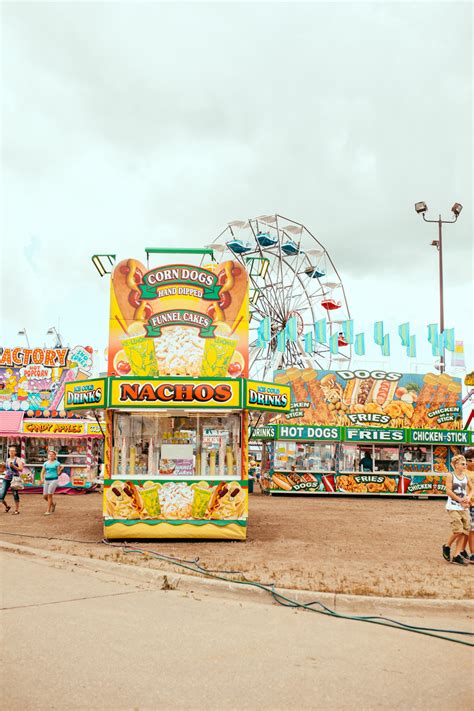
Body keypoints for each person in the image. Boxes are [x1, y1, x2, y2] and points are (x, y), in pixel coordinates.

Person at [442, 454, 472, 565]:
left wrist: (468, 498)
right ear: (455, 465)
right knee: (457, 529)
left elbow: (472, 488)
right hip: (453, 506)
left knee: (465, 530)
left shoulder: (466, 476)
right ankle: (447, 546)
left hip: (464, 507)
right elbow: (448, 491)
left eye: (465, 464)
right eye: (462, 464)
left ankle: (456, 554)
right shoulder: (451, 475)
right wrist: (460, 500)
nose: (465, 465)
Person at [0, 446, 24, 515]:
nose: (12, 452)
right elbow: (6, 470)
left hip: (14, 479)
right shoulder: (7, 459)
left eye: (13, 451)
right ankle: (7, 506)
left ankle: (17, 510)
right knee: (2, 493)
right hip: (6, 478)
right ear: (9, 452)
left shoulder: (18, 459)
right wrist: (2, 469)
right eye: (10, 451)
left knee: (15, 494)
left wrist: (14, 466)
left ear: (15, 452)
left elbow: (21, 469)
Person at [40, 449, 63, 515]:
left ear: (55, 456)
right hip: (46, 480)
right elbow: (42, 472)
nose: (51, 455)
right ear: (48, 455)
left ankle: (48, 511)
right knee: (45, 496)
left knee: (50, 495)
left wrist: (61, 470)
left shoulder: (57, 463)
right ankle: (53, 504)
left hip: (54, 480)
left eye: (52, 455)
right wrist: (42, 479)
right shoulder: (45, 463)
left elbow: (58, 473)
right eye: (50, 454)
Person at [464, 448, 474, 563]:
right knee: (471, 529)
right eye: (469, 460)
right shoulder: (465, 473)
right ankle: (472, 553)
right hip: (470, 504)